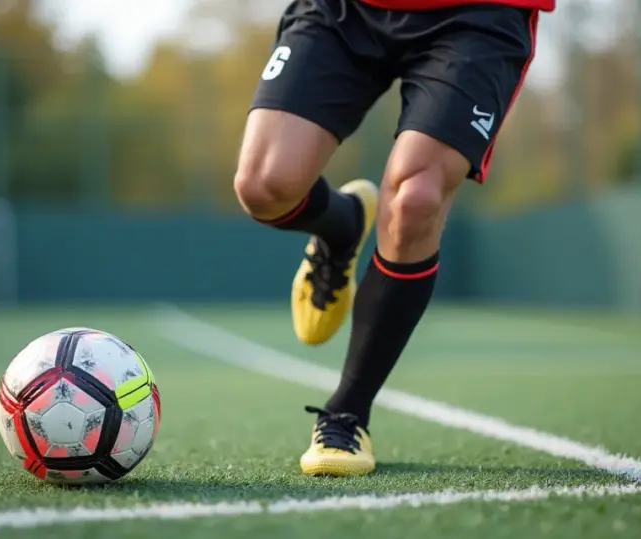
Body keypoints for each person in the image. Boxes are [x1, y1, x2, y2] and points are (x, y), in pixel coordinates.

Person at [233, 0, 555, 476]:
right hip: (344, 11)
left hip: (475, 15)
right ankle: (343, 227)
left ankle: (347, 413)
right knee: (263, 185)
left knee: (415, 199)